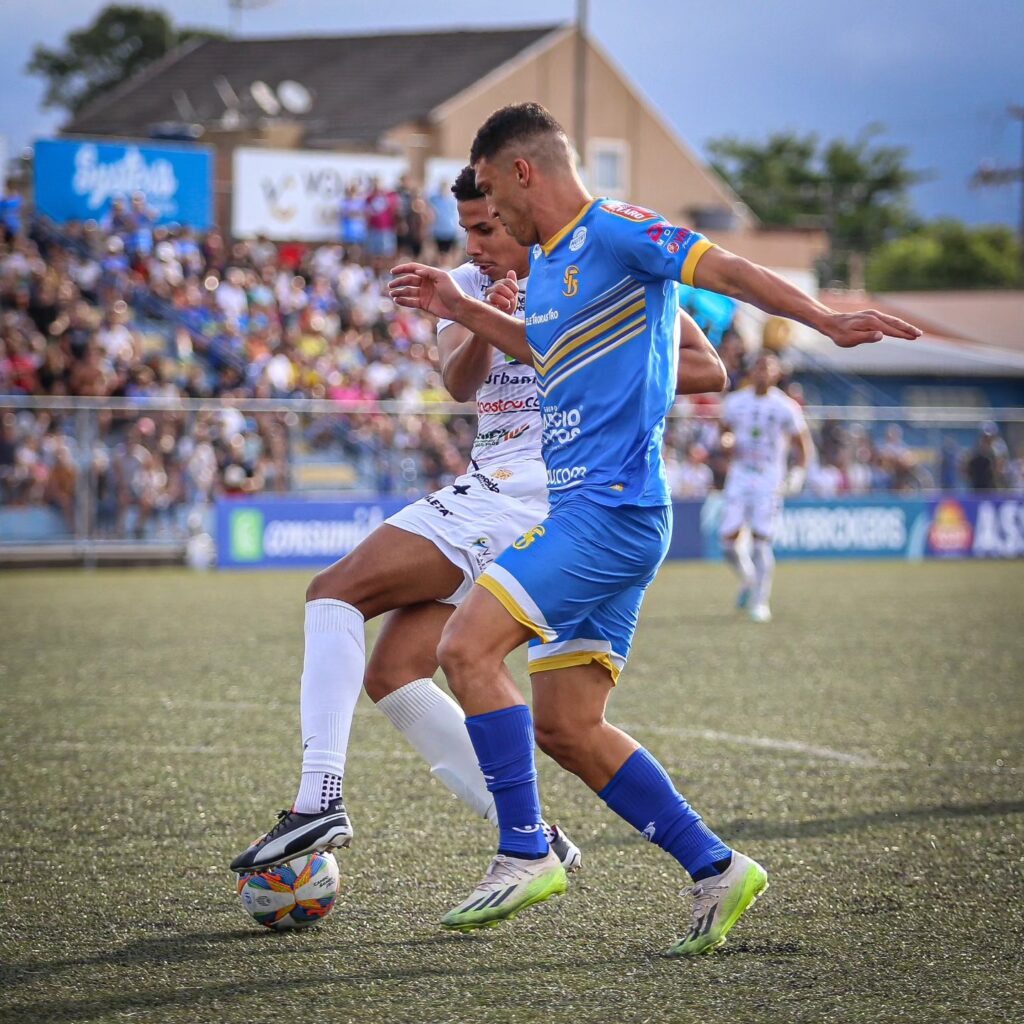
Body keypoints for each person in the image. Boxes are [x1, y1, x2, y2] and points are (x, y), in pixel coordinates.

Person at [388, 102, 920, 953]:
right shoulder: (557, 268)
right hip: (593, 514)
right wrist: (462, 305)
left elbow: (727, 267)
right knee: (566, 726)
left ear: (524, 172)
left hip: (612, 511)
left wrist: (824, 320)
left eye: (490, 194)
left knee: (462, 650)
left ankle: (525, 848)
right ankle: (716, 867)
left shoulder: (618, 230)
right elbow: (544, 352)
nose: (491, 219)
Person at [230, 166, 726, 879]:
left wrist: (592, 354)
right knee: (396, 673)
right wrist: (479, 317)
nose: (476, 244)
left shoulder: (598, 271)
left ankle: (319, 801)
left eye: (487, 228)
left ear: (525, 210)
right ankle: (531, 833)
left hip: (542, 487)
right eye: (464, 229)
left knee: (333, 592)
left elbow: (708, 369)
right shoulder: (459, 285)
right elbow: (459, 383)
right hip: (491, 483)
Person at [718, 351, 813, 623]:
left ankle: (761, 602)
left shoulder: (785, 407)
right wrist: (726, 441)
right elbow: (723, 430)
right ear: (751, 371)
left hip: (769, 479)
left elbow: (802, 444)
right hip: (739, 475)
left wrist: (797, 474)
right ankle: (748, 578)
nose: (762, 372)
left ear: (777, 374)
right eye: (758, 367)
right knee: (727, 542)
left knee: (761, 542)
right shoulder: (735, 402)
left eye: (768, 368)